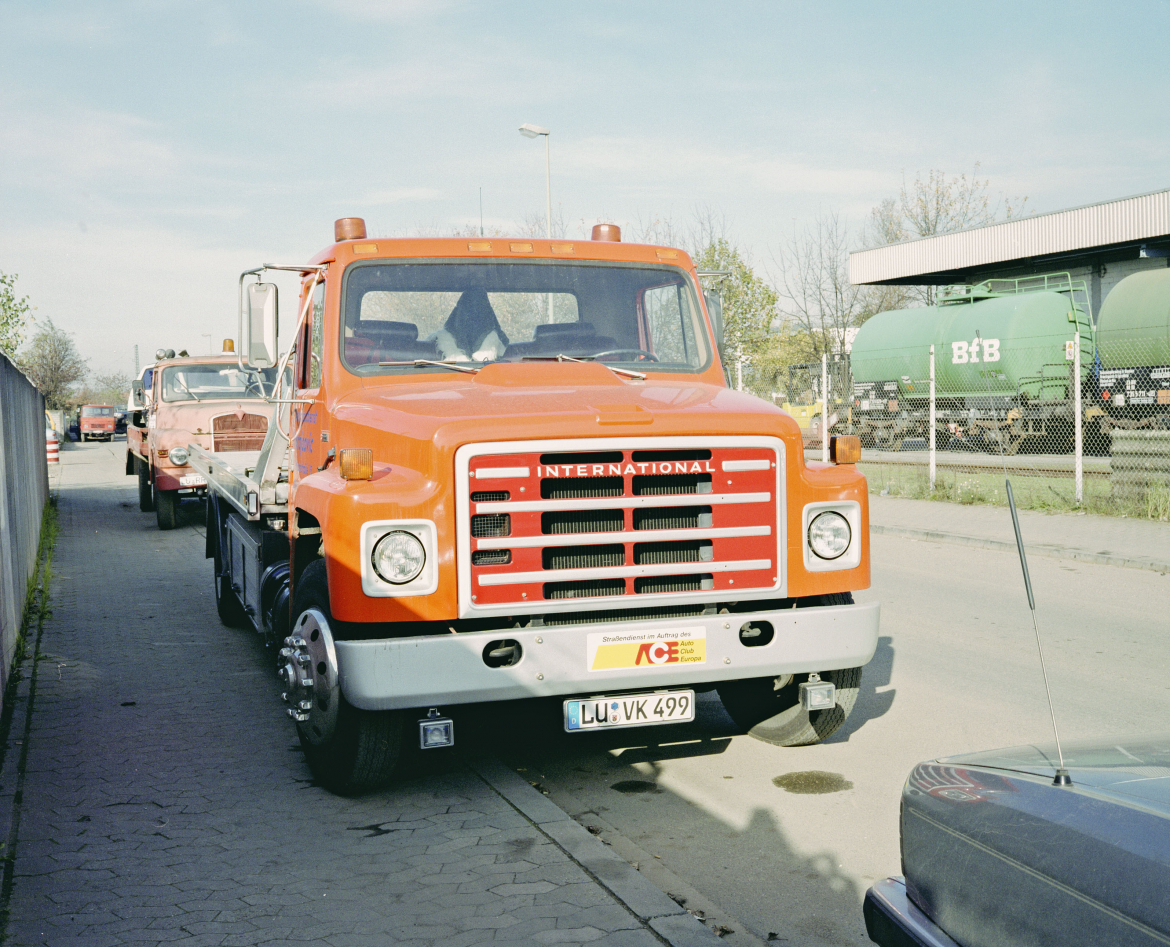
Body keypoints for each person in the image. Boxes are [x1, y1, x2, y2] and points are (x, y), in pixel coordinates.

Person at [429, 289, 509, 361]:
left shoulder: (505, 354)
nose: (473, 314)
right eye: (467, 308)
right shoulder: (435, 349)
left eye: (479, 308)